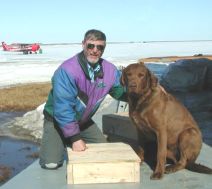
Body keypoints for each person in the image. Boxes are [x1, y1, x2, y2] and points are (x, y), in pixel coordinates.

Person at [39, 29, 126, 169]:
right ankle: (63, 139)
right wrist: (75, 138)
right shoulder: (67, 70)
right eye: (91, 46)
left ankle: (70, 137)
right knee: (51, 164)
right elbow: (62, 109)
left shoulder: (110, 70)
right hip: (57, 119)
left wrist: (145, 93)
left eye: (100, 47)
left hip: (82, 120)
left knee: (103, 151)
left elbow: (121, 92)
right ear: (83, 44)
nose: (95, 50)